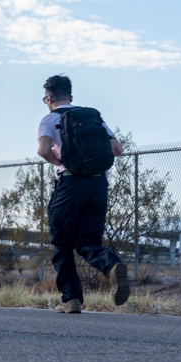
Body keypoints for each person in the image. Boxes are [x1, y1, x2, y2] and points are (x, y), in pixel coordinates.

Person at [37, 74, 130, 313]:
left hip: (70, 185)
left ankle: (71, 299)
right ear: (71, 96)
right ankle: (111, 266)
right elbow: (117, 149)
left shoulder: (50, 119)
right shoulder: (93, 116)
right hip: (98, 185)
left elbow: (43, 149)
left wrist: (60, 160)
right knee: (88, 241)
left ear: (48, 97)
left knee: (62, 243)